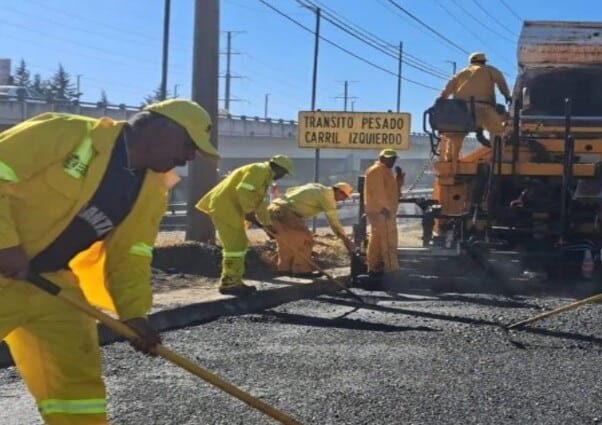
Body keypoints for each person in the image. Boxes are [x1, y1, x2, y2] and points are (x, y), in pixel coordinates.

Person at [0, 98, 219, 424]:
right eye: (189, 144)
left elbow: (131, 255)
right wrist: (5, 243)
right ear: (159, 127)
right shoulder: (64, 132)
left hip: (49, 283)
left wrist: (133, 313)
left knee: (78, 386)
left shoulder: (151, 190)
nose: (190, 157)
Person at [196, 155, 294, 295]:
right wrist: (249, 211)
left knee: (239, 245)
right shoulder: (258, 170)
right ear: (278, 168)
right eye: (284, 173)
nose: (283, 176)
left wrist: (267, 224)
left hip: (232, 209)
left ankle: (233, 280)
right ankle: (230, 283)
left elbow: (260, 204)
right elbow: (243, 191)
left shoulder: (265, 177)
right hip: (225, 207)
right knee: (234, 246)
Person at [435, 51, 511, 165]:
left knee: (457, 132)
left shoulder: (462, 72)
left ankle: (450, 158)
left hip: (462, 109)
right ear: (484, 61)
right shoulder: (489, 70)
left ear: (471, 62)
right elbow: (501, 82)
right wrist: (507, 95)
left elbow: (448, 88)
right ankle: (498, 158)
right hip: (483, 107)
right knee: (496, 130)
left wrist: (441, 98)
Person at [267, 182, 355, 275]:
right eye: (344, 197)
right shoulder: (328, 197)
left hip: (274, 208)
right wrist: (345, 238)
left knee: (287, 242)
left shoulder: (316, 187)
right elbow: (333, 219)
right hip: (287, 212)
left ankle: (284, 269)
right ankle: (301, 270)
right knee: (306, 241)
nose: (341, 200)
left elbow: (291, 190)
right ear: (338, 191)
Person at [364, 149, 404, 276]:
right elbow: (377, 191)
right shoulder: (377, 171)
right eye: (388, 158)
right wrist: (385, 208)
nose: (391, 161)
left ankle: (374, 267)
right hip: (382, 212)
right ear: (381, 158)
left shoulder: (385, 172)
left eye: (393, 158)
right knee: (388, 239)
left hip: (381, 211)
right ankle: (392, 268)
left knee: (377, 240)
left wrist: (399, 179)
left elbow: (392, 191)